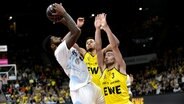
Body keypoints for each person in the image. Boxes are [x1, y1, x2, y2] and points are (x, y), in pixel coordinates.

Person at [42, 3, 105, 104]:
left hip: (90, 84)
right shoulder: (59, 51)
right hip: (80, 89)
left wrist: (63, 20)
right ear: (52, 46)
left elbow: (74, 30)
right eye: (53, 38)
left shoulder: (63, 46)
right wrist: (64, 13)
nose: (56, 36)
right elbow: (76, 32)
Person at [94, 13, 132, 104]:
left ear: (115, 58)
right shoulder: (103, 69)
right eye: (106, 55)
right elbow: (98, 49)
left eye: (110, 55)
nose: (106, 56)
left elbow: (114, 46)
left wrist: (106, 28)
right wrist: (97, 29)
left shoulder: (120, 67)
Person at [76, 17, 119, 87]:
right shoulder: (84, 53)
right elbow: (70, 43)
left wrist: (106, 29)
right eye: (87, 43)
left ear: (96, 43)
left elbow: (116, 43)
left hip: (103, 86)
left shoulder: (102, 52)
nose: (89, 43)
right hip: (89, 87)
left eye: (91, 42)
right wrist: (77, 27)